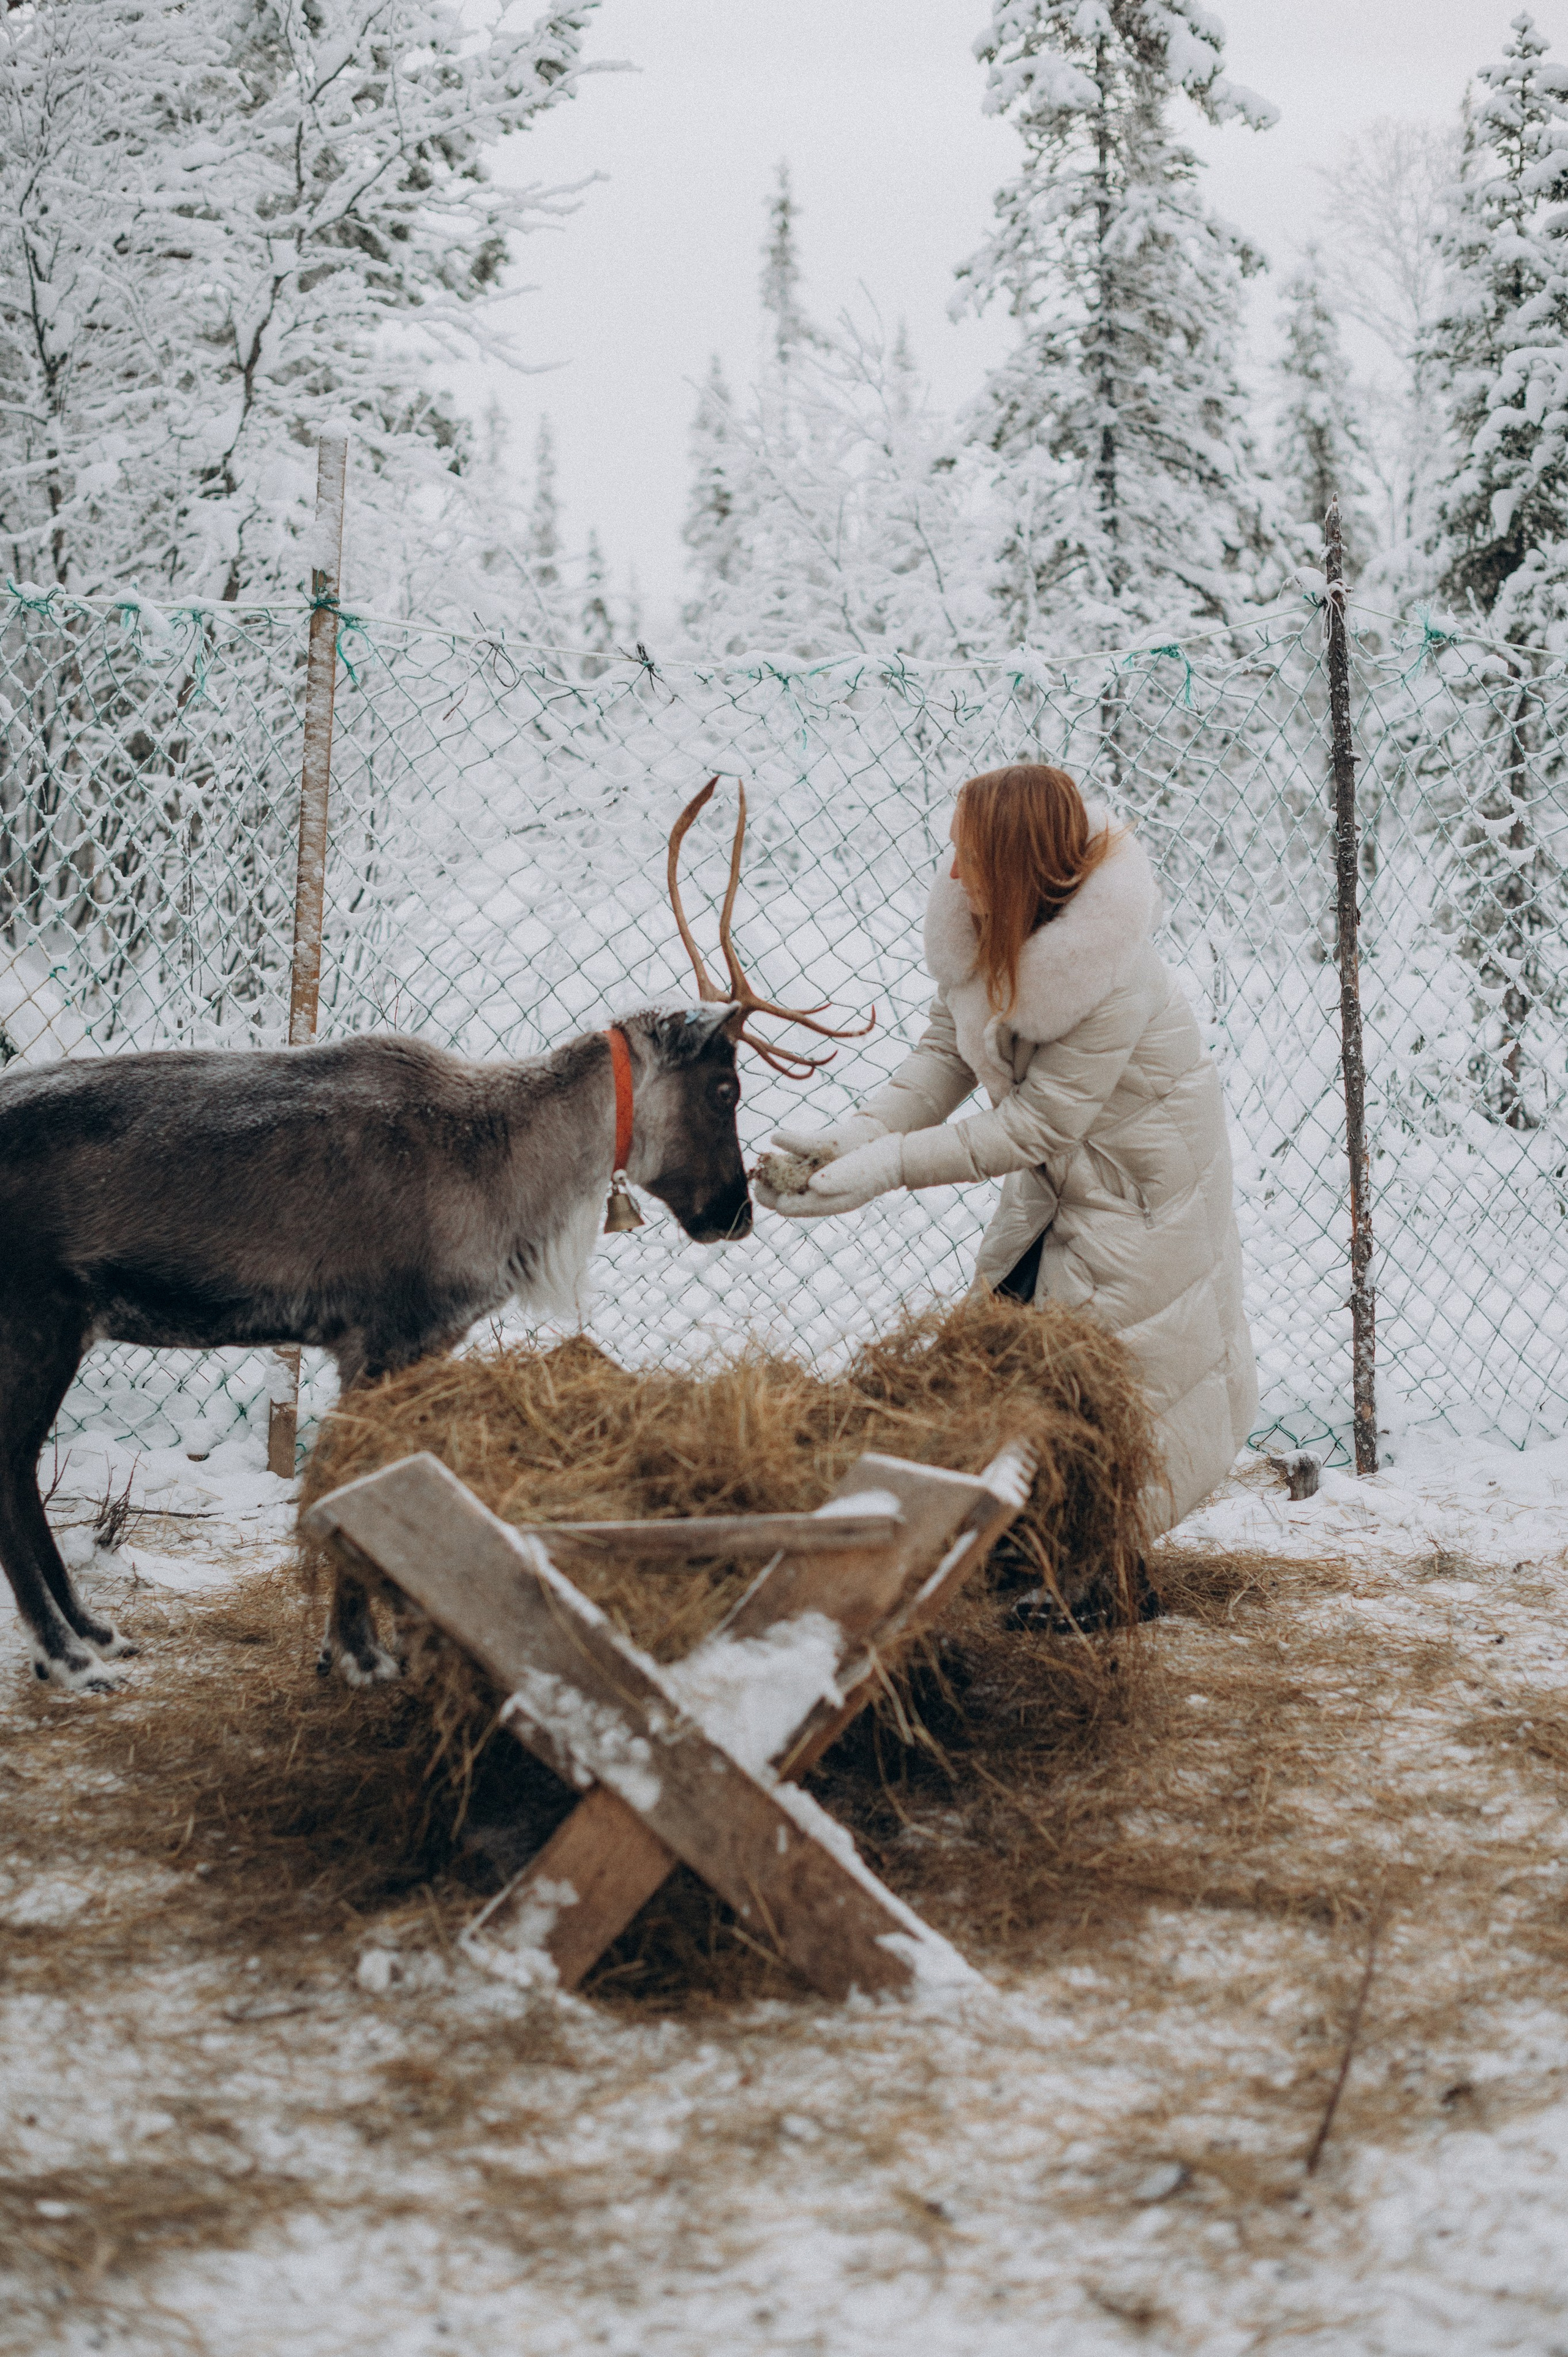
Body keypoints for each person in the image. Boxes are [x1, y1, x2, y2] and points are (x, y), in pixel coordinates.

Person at [756, 762, 1257, 1534]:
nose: (952, 867)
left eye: (970, 852)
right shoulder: (983, 920)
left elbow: (1036, 1126)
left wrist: (888, 1168)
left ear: (1015, 861)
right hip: (1065, 1179)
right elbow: (946, 1051)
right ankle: (1029, 1548)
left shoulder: (1106, 967)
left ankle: (1101, 1568)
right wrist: (857, 1134)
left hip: (1141, 1189)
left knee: (1114, 1378)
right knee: (1015, 1341)